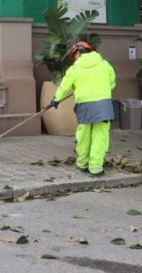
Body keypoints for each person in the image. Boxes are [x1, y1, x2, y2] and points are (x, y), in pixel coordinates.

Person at [49, 39, 116, 175]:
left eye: (75, 56)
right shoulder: (105, 64)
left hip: (84, 105)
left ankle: (82, 163)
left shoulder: (75, 69)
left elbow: (65, 87)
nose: (75, 59)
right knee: (100, 136)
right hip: (104, 105)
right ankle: (96, 167)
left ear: (78, 53)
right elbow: (112, 83)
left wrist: (56, 99)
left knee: (83, 136)